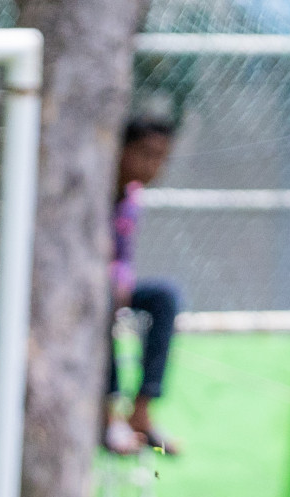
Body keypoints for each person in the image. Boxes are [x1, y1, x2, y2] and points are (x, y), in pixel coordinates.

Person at [105, 115, 182, 456]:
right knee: (100, 302)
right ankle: (109, 414)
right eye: (147, 154)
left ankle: (141, 409)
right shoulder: (93, 190)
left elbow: (122, 257)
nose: (155, 166)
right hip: (89, 294)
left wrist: (120, 280)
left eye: (162, 157)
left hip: (113, 287)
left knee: (165, 297)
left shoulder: (133, 198)